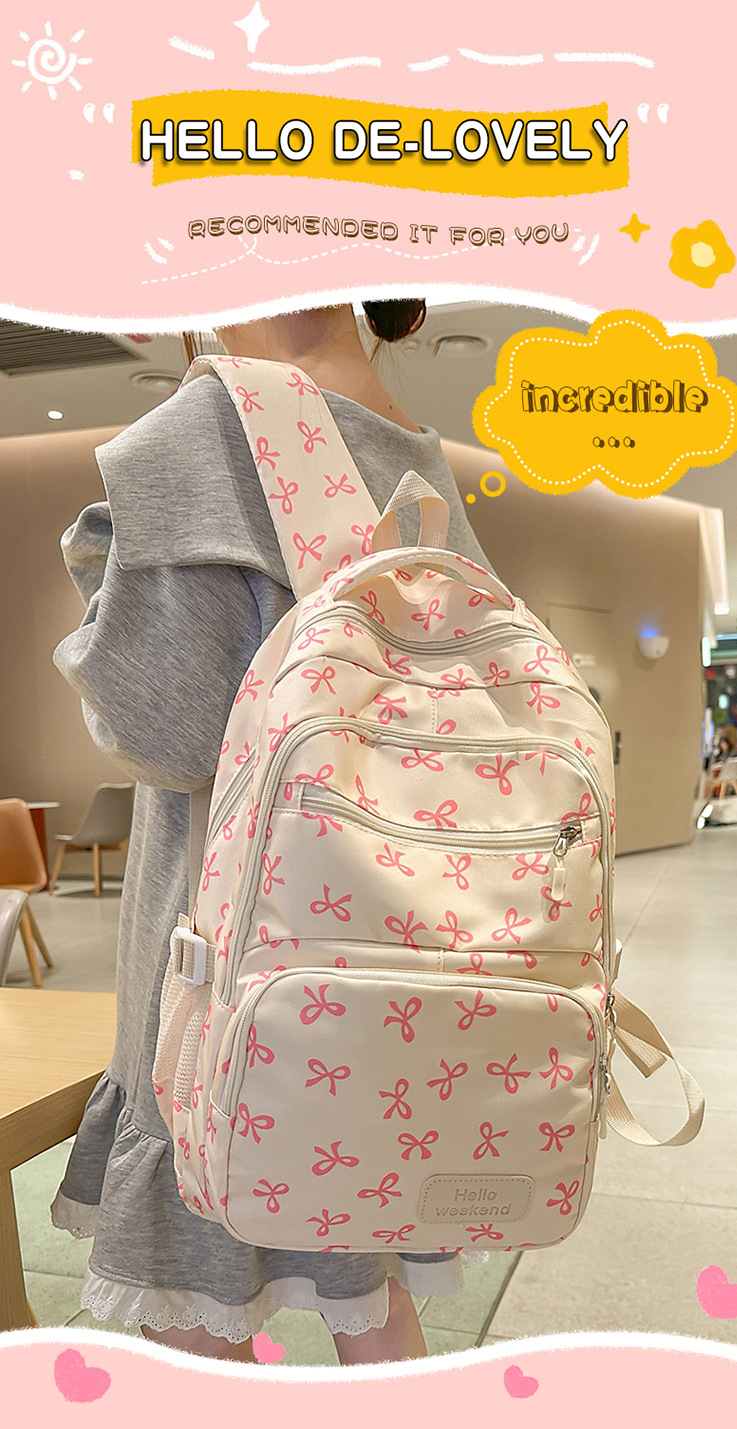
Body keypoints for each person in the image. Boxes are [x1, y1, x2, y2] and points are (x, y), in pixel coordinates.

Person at [51, 300, 495, 1364]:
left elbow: (163, 727)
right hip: (392, 968)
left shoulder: (206, 430)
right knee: (373, 1300)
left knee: (189, 1317)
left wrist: (97, 594)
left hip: (227, 966)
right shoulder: (416, 453)